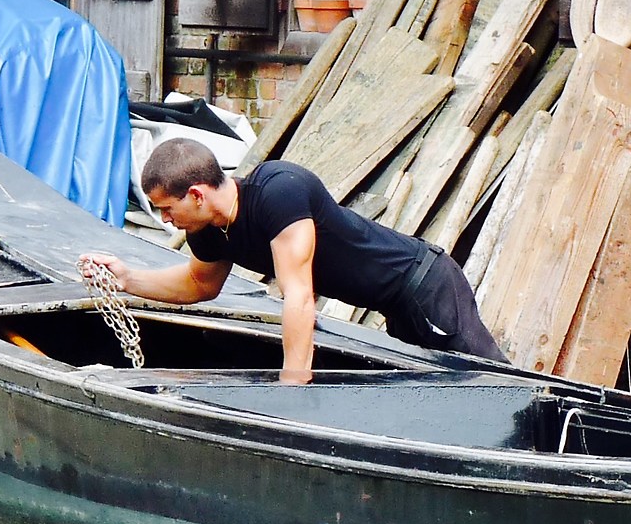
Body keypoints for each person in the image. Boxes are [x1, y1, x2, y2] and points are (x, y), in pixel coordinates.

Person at [78, 138, 504, 383]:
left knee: (496, 385)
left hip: (424, 284)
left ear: (197, 195)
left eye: (166, 208)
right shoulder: (207, 231)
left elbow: (299, 297)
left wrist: (292, 383)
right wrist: (126, 279)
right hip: (393, 305)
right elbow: (198, 286)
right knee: (440, 391)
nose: (164, 220)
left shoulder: (279, 191)